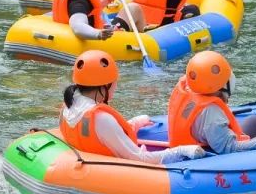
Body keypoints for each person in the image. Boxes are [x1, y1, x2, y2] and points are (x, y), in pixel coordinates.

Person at [60, 51, 205, 164]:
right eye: (115, 81)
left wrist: (134, 124)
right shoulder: (102, 119)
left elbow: (100, 135)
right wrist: (181, 150)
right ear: (106, 85)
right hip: (111, 175)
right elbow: (140, 159)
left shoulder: (69, 105)